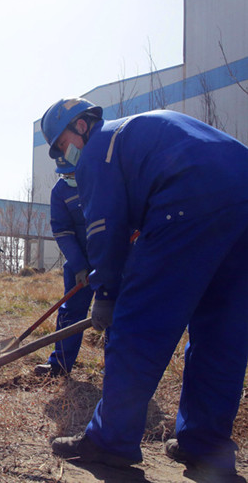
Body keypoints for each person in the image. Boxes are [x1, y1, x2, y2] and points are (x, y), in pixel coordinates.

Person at [41, 97, 248, 476]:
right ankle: (205, 446)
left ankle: (110, 441)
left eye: (61, 144)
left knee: (139, 325)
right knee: (222, 333)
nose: (63, 155)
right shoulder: (137, 134)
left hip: (188, 199)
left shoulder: (100, 148)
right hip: (241, 199)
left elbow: (104, 232)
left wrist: (106, 295)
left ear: (82, 125)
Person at [34, 156, 94, 377]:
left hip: (112, 257)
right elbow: (62, 231)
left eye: (73, 174)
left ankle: (121, 372)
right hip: (79, 260)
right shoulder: (60, 192)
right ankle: (59, 363)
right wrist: (79, 266)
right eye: (65, 175)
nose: (69, 178)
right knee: (70, 312)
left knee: (117, 312)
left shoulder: (101, 179)